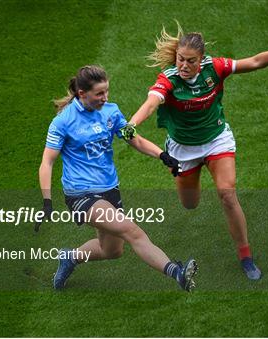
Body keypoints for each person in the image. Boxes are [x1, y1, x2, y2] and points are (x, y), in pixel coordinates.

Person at [128, 24, 268, 280]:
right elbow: (150, 104)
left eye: (191, 61)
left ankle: (246, 256)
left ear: (201, 59)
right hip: (183, 149)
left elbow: (256, 62)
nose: (184, 65)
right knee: (189, 204)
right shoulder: (168, 79)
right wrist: (131, 125)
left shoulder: (216, 67)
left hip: (216, 140)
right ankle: (192, 174)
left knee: (227, 194)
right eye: (181, 59)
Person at [35, 65, 197, 291]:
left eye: (107, 91)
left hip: (110, 190)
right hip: (81, 195)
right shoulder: (63, 122)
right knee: (132, 231)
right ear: (82, 93)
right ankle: (176, 272)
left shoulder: (111, 112)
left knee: (112, 250)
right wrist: (47, 201)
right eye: (99, 93)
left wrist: (162, 155)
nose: (105, 97)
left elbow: (135, 140)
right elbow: (47, 162)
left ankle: (70, 257)